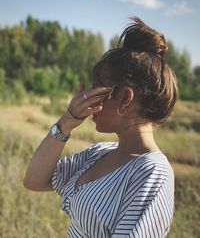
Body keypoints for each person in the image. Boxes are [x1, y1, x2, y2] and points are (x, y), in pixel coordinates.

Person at [24, 17, 178, 238]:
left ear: (125, 98)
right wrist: (67, 121)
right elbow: (34, 181)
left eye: (97, 88)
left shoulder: (153, 174)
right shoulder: (100, 152)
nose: (87, 98)